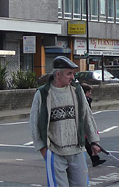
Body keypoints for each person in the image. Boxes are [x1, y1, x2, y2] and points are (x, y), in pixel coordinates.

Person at [30, 56, 102, 186]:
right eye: (69, 74)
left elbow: (87, 117)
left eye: (73, 74)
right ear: (58, 74)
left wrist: (94, 141)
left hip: (77, 150)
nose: (72, 77)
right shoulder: (42, 94)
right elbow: (34, 123)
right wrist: (42, 148)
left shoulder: (77, 90)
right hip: (54, 151)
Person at [81, 83, 105, 167]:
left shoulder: (87, 100)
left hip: (86, 126)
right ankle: (95, 159)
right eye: (89, 91)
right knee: (88, 144)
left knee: (88, 144)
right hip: (83, 127)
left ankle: (95, 159)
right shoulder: (84, 100)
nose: (90, 93)